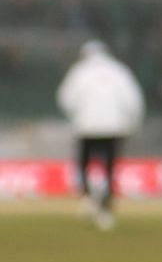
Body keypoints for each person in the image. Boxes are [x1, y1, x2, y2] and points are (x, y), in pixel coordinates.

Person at [56, 39, 143, 230]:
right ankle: (105, 204)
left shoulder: (79, 71)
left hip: (86, 127)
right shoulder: (120, 71)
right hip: (114, 127)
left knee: (84, 163)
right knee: (110, 167)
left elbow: (66, 98)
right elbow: (133, 100)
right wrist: (131, 123)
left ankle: (87, 197)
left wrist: (76, 115)